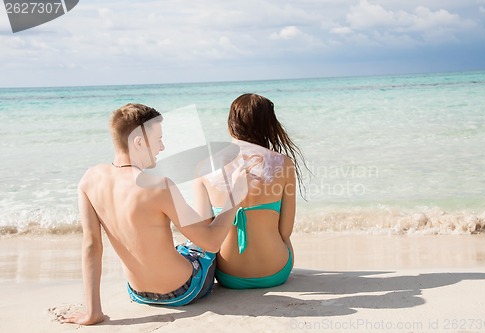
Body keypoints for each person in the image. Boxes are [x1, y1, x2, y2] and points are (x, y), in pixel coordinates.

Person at [61, 103, 245, 325]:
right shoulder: (158, 186)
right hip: (183, 291)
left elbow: (91, 246)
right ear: (139, 142)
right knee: (203, 243)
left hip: (138, 292)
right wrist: (234, 196)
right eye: (158, 139)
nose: (163, 147)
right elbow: (212, 242)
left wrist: (93, 312)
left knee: (183, 243)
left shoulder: (89, 179)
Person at [194, 93, 307, 289]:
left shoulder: (204, 167)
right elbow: (285, 231)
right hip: (276, 271)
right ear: (269, 125)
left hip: (227, 275)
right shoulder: (283, 163)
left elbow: (204, 234)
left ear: (231, 124)